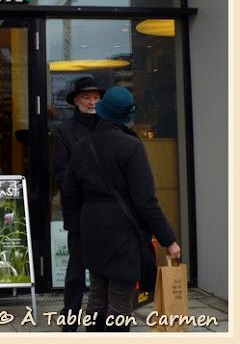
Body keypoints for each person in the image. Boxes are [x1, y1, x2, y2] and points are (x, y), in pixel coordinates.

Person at [62, 86, 181, 332]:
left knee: (97, 293)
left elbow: (69, 191)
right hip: (122, 231)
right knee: (119, 299)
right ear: (127, 116)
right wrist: (168, 239)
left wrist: (77, 226)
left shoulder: (83, 146)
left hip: (92, 225)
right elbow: (145, 201)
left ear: (103, 111)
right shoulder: (131, 146)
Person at [52, 76, 103, 331]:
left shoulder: (110, 126)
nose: (92, 102)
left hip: (109, 211)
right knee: (76, 266)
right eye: (86, 97)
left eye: (96, 98)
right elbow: (61, 174)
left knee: (107, 266)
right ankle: (70, 315)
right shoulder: (65, 130)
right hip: (80, 209)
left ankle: (103, 315)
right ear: (75, 101)